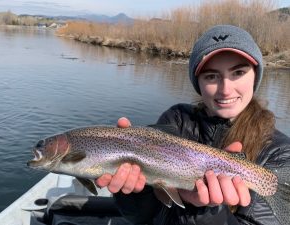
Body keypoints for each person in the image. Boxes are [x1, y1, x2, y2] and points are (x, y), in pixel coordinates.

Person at [96, 25, 290, 225]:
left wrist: (205, 210)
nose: (226, 89)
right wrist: (136, 188)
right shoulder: (176, 120)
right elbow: (140, 216)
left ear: (256, 75)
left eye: (238, 72)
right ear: (198, 82)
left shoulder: (280, 152)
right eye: (211, 76)